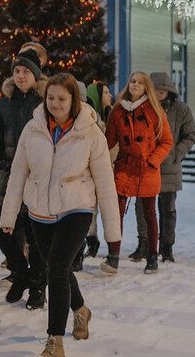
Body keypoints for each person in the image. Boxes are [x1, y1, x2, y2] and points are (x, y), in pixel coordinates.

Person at [0, 73, 121, 357]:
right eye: (50, 98)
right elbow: (18, 173)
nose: (54, 104)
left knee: (55, 269)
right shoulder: (33, 129)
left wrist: (112, 231)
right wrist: (8, 215)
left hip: (76, 208)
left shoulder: (90, 132)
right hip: (39, 211)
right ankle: (81, 310)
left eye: (61, 99)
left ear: (74, 101)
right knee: (60, 268)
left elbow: (105, 181)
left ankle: (55, 340)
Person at [0, 48, 47, 309]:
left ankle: (37, 286)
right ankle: (20, 272)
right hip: (9, 173)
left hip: (37, 175)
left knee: (36, 236)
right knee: (1, 223)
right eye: (16, 71)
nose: (20, 76)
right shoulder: (7, 100)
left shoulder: (46, 100)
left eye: (25, 71)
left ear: (36, 74)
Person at [101, 72, 172, 275]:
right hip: (125, 167)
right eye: (133, 81)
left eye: (140, 82)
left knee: (150, 213)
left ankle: (152, 257)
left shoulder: (155, 111)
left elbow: (166, 140)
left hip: (147, 168)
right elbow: (109, 141)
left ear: (146, 87)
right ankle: (113, 256)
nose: (135, 85)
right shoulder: (118, 112)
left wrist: (153, 160)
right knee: (116, 213)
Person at [129, 72, 195, 263]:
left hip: (169, 168)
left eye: (162, 91)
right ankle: (144, 244)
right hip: (145, 167)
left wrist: (176, 154)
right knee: (142, 208)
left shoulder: (182, 110)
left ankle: (167, 247)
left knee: (168, 209)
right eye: (155, 90)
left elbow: (190, 135)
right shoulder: (140, 108)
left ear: (169, 91)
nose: (159, 94)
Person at [82, 81, 114, 259]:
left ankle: (111, 247)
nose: (110, 95)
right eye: (106, 92)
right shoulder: (92, 118)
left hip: (109, 169)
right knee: (90, 208)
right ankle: (91, 240)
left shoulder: (112, 114)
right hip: (91, 171)